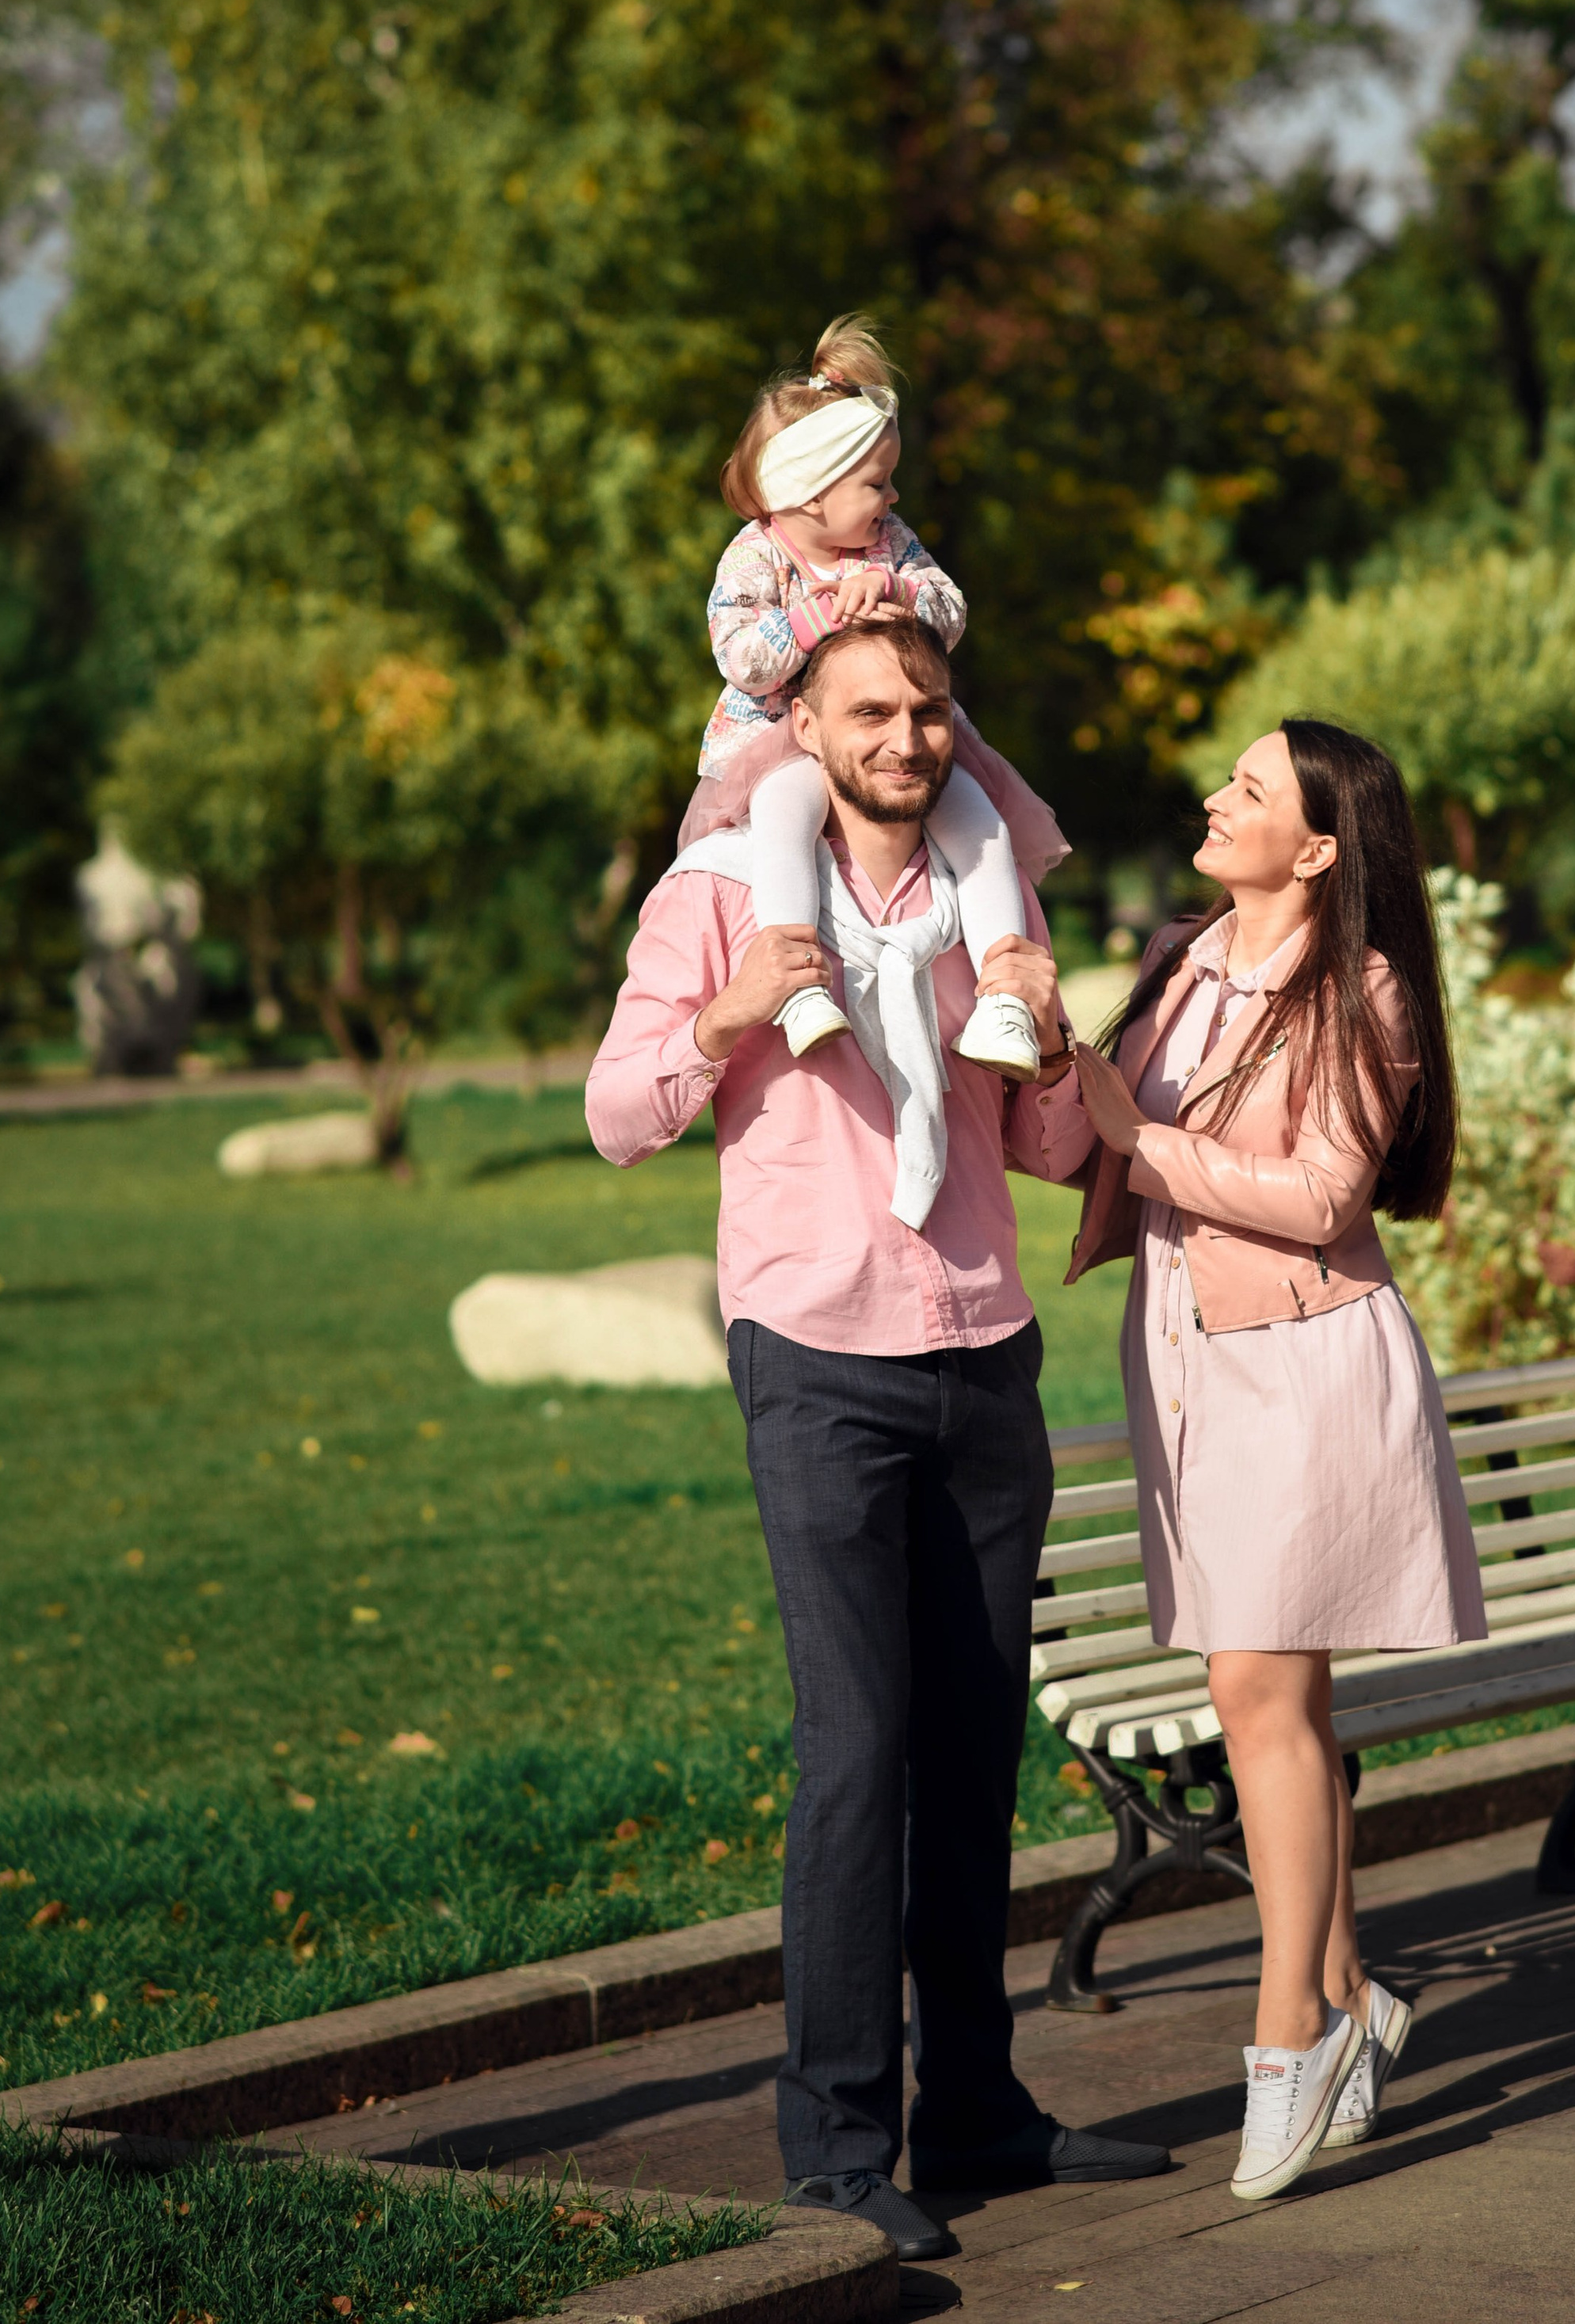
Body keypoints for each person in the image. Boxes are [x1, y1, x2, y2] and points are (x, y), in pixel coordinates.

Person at [586, 617, 1169, 2260]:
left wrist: (1056, 1040)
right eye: (871, 709)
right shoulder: (718, 892)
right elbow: (614, 1110)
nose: (906, 734)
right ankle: (838, 2147)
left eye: (926, 707)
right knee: (857, 1753)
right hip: (817, 1358)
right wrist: (728, 1020)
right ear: (805, 720)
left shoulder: (992, 896)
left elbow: (1049, 1144)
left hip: (982, 1355)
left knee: (974, 1749)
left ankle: (976, 2108)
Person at [1063, 718, 1485, 2206]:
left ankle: (1291, 2029)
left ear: (1315, 844)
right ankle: (1358, 1991)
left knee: (1253, 1692)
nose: (1212, 795)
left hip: (1301, 1366)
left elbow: (1320, 1196)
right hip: (1185, 1362)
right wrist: (1029, 1047)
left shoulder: (1362, 990)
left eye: (1249, 786)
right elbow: (1085, 1144)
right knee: (1279, 1699)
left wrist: (1141, 1138)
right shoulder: (1184, 960)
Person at [680, 314, 1066, 1080]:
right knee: (785, 820)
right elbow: (741, 656)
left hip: (901, 731)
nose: (891, 496)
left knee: (980, 826)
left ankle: (1004, 997)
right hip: (784, 740)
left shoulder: (890, 545)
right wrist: (814, 616)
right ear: (812, 493)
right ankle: (794, 983)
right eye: (875, 482)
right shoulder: (756, 556)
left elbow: (950, 615)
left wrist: (896, 588)